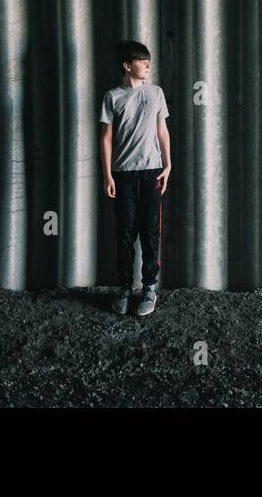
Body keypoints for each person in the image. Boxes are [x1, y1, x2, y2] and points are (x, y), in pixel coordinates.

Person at [100, 40, 171, 316]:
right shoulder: (112, 97)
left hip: (152, 172)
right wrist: (107, 174)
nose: (147, 64)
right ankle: (124, 288)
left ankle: (149, 287)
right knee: (125, 233)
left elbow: (162, 131)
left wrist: (168, 165)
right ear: (127, 65)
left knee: (150, 232)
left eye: (148, 61)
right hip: (123, 174)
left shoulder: (156, 94)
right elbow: (106, 138)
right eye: (142, 61)